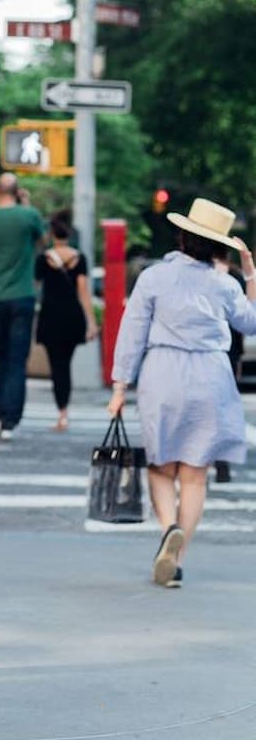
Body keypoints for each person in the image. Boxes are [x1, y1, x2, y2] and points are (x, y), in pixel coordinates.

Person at [108, 198, 256, 589]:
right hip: (211, 375)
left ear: (182, 235)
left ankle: (168, 528)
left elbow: (132, 333)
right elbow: (252, 324)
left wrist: (121, 386)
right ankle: (177, 557)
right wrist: (251, 276)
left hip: (163, 373)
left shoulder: (155, 277)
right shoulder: (224, 283)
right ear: (219, 245)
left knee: (161, 466)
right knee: (194, 476)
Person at [0, 173, 45, 441]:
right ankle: (10, 421)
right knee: (17, 360)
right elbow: (41, 243)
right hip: (22, 295)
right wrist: (26, 206)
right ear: (18, 192)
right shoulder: (30, 216)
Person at [35, 209, 98, 432]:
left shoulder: (43, 259)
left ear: (52, 234)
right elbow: (83, 291)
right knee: (66, 365)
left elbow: (36, 287)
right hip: (72, 317)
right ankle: (65, 413)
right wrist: (91, 321)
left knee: (56, 366)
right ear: (69, 234)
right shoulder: (80, 258)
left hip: (51, 316)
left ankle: (61, 413)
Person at [213, 246, 247, 483]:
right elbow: (246, 321)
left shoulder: (192, 276)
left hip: (213, 352)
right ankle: (220, 460)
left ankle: (215, 459)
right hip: (228, 352)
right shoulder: (233, 278)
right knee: (221, 408)